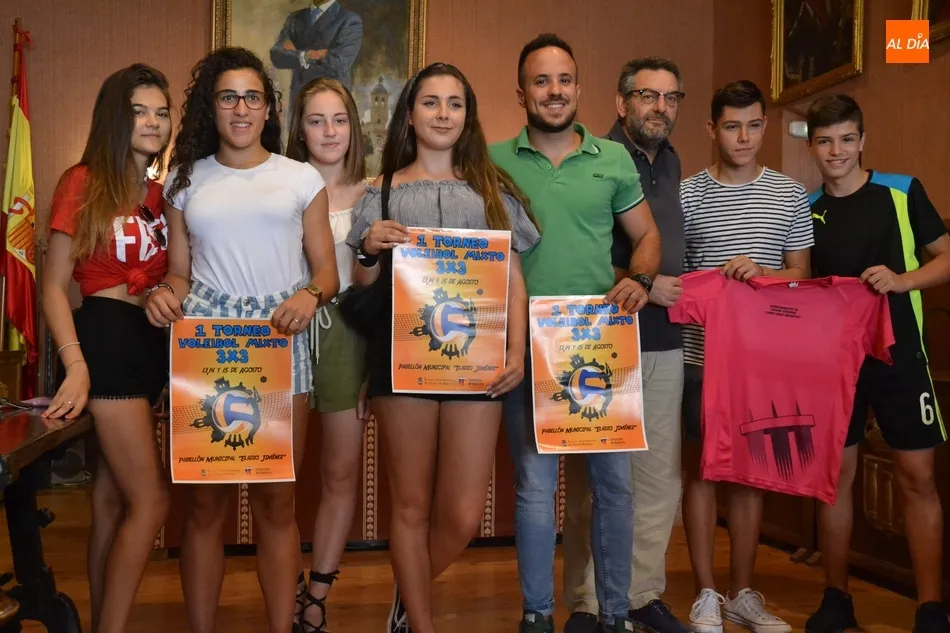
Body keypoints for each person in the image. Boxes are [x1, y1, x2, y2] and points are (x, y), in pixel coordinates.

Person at [145, 47, 339, 633]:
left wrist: (310, 296)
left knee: (277, 502)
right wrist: (163, 294)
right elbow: (179, 271)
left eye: (252, 96)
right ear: (212, 105)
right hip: (208, 339)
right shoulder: (185, 179)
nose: (241, 108)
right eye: (228, 96)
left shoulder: (300, 178)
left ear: (268, 107)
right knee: (205, 503)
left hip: (280, 339)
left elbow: (326, 273)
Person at [346, 61, 540, 633]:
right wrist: (367, 251)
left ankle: (408, 597)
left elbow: (512, 278)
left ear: (468, 116)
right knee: (408, 507)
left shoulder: (492, 190)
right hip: (401, 362)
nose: (443, 114)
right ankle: (419, 626)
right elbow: (360, 290)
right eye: (431, 102)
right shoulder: (379, 191)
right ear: (410, 113)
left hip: (476, 364)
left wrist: (516, 352)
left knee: (459, 514)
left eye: (455, 103)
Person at [490, 33, 661, 633]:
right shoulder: (491, 161)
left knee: (614, 488)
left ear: (580, 88)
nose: (554, 91)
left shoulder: (613, 160)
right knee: (535, 490)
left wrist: (641, 278)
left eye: (563, 80)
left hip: (598, 340)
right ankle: (537, 615)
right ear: (521, 93)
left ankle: (616, 616)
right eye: (541, 81)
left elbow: (646, 237)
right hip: (524, 344)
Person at [803, 94, 950, 633]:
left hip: (903, 356)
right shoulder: (807, 208)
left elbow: (946, 256)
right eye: (825, 140)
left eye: (846, 139)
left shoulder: (903, 191)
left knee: (917, 477)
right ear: (812, 145)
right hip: (835, 365)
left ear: (862, 141)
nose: (836, 150)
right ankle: (836, 599)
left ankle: (931, 607)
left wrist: (901, 279)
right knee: (836, 479)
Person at [41, 63, 172, 633]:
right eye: (139, 110)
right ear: (114, 118)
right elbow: (52, 285)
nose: (152, 121)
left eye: (162, 112)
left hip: (149, 345)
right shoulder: (83, 180)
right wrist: (75, 364)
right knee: (153, 502)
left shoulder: (160, 193)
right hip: (106, 339)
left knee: (112, 503)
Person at [561, 56, 689, 633]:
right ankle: (588, 602)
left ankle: (640, 595)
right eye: (647, 96)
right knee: (598, 483)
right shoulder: (597, 158)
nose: (659, 107)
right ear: (621, 103)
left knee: (659, 479)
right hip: (600, 340)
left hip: (666, 340)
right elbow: (573, 250)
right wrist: (639, 279)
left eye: (670, 97)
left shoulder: (673, 163)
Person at [679, 79, 812, 633]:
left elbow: (801, 275)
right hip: (699, 358)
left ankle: (743, 594)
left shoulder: (789, 193)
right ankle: (706, 593)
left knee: (752, 474)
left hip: (765, 360)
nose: (744, 136)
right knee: (703, 472)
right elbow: (677, 281)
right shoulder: (687, 194)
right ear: (713, 129)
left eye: (754, 125)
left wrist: (764, 274)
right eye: (732, 126)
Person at [284, 77, 370, 632]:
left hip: (347, 335)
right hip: (283, 332)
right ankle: (282, 579)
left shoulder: (378, 190)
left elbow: (382, 287)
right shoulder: (277, 184)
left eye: (339, 119)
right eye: (316, 120)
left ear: (354, 127)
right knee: (280, 474)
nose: (329, 131)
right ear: (299, 129)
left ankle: (316, 594)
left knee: (339, 473)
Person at [270, 0, 363, 106]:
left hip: (331, 100)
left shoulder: (349, 20)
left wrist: (295, 54)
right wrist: (308, 55)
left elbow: (339, 64)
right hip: (299, 101)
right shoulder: (295, 18)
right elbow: (276, 55)